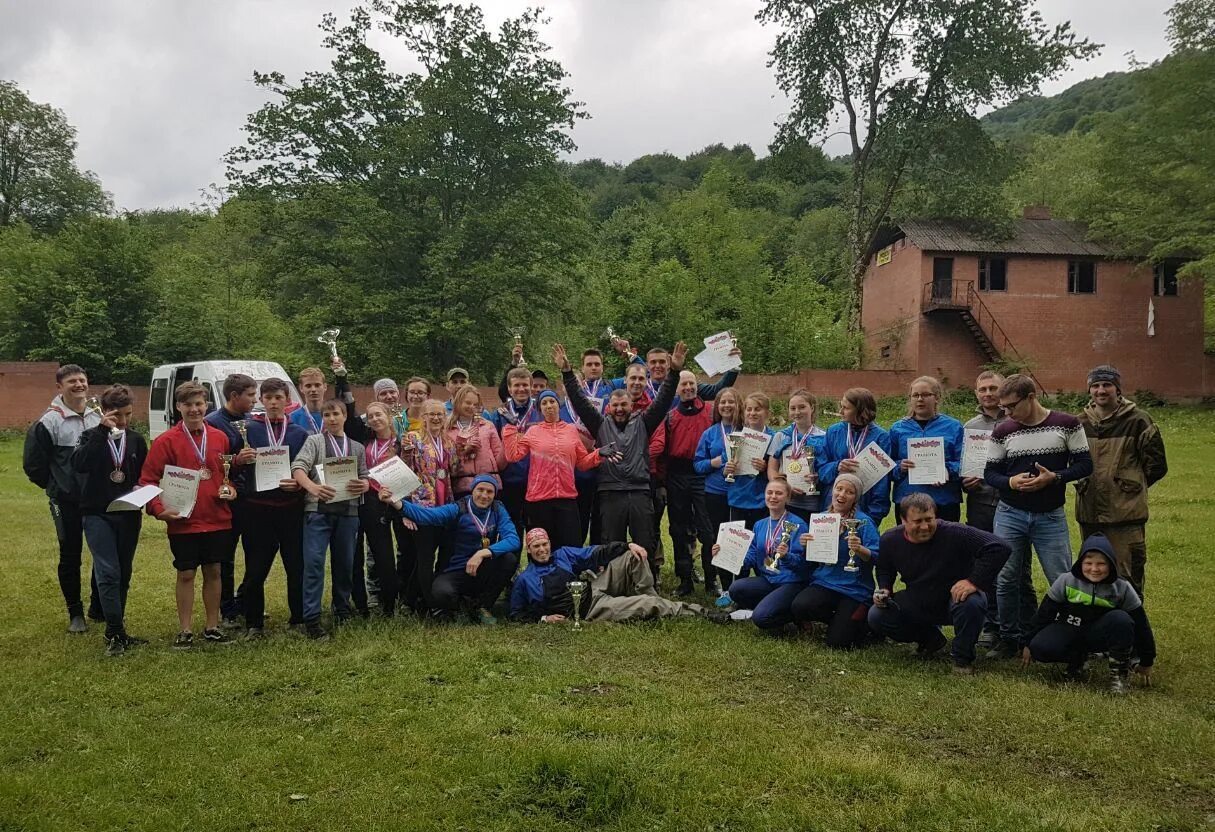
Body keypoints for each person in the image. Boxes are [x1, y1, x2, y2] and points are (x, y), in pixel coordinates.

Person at [558, 341, 685, 586]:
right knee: (611, 542)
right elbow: (580, 402)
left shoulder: (644, 422)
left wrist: (675, 372)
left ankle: (647, 584)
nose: (619, 409)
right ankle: (613, 584)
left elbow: (663, 401)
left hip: (639, 492)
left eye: (623, 405)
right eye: (615, 405)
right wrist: (566, 373)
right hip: (610, 492)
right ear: (608, 407)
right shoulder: (599, 425)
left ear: (631, 406)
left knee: (645, 540)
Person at [984, 374, 1092, 660]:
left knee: (1062, 578)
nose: (1006, 413)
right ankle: (1010, 639)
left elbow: (1085, 465)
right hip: (1010, 513)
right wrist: (1010, 482)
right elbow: (990, 473)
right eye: (1003, 408)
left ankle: (1073, 637)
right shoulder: (1003, 431)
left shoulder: (1067, 424)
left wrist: (1055, 478)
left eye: (1011, 406)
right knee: (1006, 578)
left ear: (1031, 397)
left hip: (1050, 516)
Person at [140, 382, 237, 649]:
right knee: (185, 574)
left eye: (199, 404)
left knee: (215, 571)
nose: (195, 409)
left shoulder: (219, 437)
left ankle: (212, 627)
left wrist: (231, 490)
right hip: (184, 521)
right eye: (189, 405)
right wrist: (159, 511)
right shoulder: (165, 441)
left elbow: (225, 476)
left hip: (217, 518)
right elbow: (147, 480)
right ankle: (184, 630)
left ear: (206, 406)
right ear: (178, 407)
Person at [868, 494, 1011, 674]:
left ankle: (962, 658)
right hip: (919, 599)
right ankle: (930, 639)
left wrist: (973, 581)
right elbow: (884, 569)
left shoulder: (955, 532)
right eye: (917, 521)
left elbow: (999, 547)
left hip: (957, 599)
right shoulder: (890, 539)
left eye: (929, 519)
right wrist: (885, 588)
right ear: (903, 520)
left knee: (972, 603)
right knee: (877, 615)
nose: (925, 526)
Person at [1074, 365, 1167, 596]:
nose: (1101, 390)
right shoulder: (1080, 423)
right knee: (1092, 574)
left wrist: (1129, 487)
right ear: (1089, 390)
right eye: (1095, 385)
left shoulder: (1139, 420)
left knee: (1127, 577)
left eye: (1107, 385)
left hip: (1126, 516)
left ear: (1118, 389)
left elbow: (1156, 466)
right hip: (1090, 513)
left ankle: (1132, 626)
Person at [22, 363, 102, 632]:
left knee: (100, 551)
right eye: (72, 382)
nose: (78, 385)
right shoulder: (49, 421)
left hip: (95, 499)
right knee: (71, 555)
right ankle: (75, 614)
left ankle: (97, 606)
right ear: (59, 387)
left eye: (82, 380)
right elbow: (33, 465)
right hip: (65, 501)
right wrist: (58, 486)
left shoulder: (96, 415)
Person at [70, 384, 148, 656]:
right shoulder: (90, 436)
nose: (123, 421)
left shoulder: (136, 439)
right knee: (108, 571)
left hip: (128, 513)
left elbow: (143, 474)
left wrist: (142, 487)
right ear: (104, 412)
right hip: (97, 513)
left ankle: (119, 628)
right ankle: (113, 631)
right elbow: (79, 464)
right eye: (117, 416)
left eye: (128, 414)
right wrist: (102, 432)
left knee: (123, 572)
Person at [1022, 534, 1155, 694]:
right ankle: (1077, 660)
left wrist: (1147, 660)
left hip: (1101, 634)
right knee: (1040, 646)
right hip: (1070, 628)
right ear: (1080, 563)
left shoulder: (1122, 587)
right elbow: (1044, 614)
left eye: (1101, 564)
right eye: (1088, 563)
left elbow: (1141, 625)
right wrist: (1028, 643)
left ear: (1111, 564)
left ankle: (1118, 676)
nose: (1094, 569)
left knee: (1122, 620)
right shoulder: (1066, 581)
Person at [380, 475, 520, 623]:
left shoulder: (498, 509)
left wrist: (483, 553)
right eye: (480, 490)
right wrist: (395, 502)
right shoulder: (458, 508)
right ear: (472, 490)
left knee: (509, 559)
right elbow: (427, 515)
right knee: (441, 594)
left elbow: (513, 539)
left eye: (490, 492)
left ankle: (483, 606)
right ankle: (460, 604)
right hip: (456, 569)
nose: (484, 495)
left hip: (482, 566)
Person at [290, 398, 370, 639]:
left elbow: (365, 476)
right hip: (318, 510)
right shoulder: (314, 441)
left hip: (348, 511)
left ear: (345, 416)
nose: (332, 419)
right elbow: (298, 468)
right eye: (327, 415)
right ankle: (311, 618)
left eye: (336, 414)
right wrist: (312, 488)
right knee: (314, 564)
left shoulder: (356, 447)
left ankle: (342, 608)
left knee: (345, 563)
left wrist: (364, 484)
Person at [510, 528, 705, 623]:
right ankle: (702, 613)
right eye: (536, 546)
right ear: (528, 549)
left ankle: (651, 596)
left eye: (545, 544)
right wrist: (544, 618)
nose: (542, 549)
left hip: (594, 588)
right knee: (647, 604)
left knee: (633, 556)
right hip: (591, 609)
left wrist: (628, 545)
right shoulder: (525, 579)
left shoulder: (562, 554)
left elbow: (595, 552)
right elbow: (516, 614)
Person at [238, 378, 309, 637]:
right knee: (256, 568)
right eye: (268, 398)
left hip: (291, 508)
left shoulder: (299, 433)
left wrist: (299, 485)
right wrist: (238, 460)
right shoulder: (247, 430)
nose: (273, 403)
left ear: (287, 400)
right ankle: (254, 623)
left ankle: (298, 619)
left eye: (278, 397)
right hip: (257, 509)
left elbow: (308, 469)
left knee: (295, 565)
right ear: (261, 400)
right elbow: (234, 468)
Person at [503, 389, 606, 549]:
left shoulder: (571, 430)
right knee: (542, 548)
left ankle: (569, 574)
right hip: (538, 500)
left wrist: (599, 454)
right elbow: (513, 456)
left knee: (571, 545)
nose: (549, 406)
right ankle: (540, 575)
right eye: (544, 403)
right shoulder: (533, 431)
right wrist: (510, 428)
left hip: (567, 498)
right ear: (540, 409)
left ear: (559, 405)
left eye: (552, 401)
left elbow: (582, 463)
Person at [962, 371, 1020, 651]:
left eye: (993, 388)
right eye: (982, 389)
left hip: (1013, 502)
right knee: (983, 563)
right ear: (976, 393)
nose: (988, 393)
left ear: (1003, 390)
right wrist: (966, 481)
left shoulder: (1017, 421)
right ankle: (989, 624)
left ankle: (1016, 624)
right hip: (980, 503)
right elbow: (964, 466)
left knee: (1013, 566)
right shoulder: (971, 426)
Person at [790, 473, 880, 650]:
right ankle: (841, 620)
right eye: (839, 489)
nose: (842, 495)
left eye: (849, 492)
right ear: (832, 491)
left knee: (838, 643)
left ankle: (863, 623)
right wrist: (805, 545)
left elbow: (878, 557)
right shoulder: (821, 519)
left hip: (854, 588)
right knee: (800, 606)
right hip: (826, 582)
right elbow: (811, 559)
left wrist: (860, 549)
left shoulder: (864, 522)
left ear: (856, 498)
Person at [711, 477, 810, 631]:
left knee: (761, 619)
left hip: (791, 582)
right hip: (769, 579)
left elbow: (804, 565)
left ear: (788, 498)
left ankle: (794, 616)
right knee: (736, 589)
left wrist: (786, 556)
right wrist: (726, 554)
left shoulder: (798, 525)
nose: (773, 496)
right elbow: (752, 554)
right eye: (769, 492)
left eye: (779, 493)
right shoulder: (760, 524)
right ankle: (773, 604)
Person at [649, 370, 716, 597]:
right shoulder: (669, 417)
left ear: (697, 385)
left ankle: (711, 579)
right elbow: (661, 451)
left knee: (707, 529)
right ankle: (684, 579)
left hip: (704, 474)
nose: (688, 387)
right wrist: (661, 480)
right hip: (677, 475)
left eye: (691, 383)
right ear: (677, 390)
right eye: (683, 384)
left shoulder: (710, 411)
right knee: (678, 529)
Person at [204, 373, 259, 629]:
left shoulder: (252, 420)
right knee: (225, 556)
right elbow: (209, 464)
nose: (255, 399)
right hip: (226, 500)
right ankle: (226, 609)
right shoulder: (212, 424)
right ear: (234, 396)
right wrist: (236, 462)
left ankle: (245, 599)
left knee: (257, 553)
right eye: (250, 395)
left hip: (253, 499)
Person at [398, 399, 458, 615]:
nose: (435, 418)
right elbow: (404, 471)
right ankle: (430, 604)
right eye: (431, 414)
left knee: (440, 552)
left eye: (440, 415)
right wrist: (406, 510)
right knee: (425, 556)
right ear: (422, 416)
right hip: (422, 505)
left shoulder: (449, 441)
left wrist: (466, 448)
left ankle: (410, 599)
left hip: (445, 504)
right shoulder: (412, 439)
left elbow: (453, 469)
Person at [889, 376, 964, 522]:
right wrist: (900, 466)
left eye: (925, 395)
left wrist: (946, 470)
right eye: (915, 395)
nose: (920, 399)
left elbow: (964, 463)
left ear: (936, 398)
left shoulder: (954, 427)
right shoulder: (897, 429)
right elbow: (887, 465)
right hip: (908, 501)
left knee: (946, 544)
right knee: (909, 544)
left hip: (944, 500)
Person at [358, 402, 409, 618]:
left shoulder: (403, 442)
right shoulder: (365, 444)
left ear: (389, 417)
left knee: (406, 551)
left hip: (401, 498)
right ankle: (387, 603)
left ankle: (407, 597)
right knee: (382, 553)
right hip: (373, 500)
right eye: (370, 416)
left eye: (379, 414)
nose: (375, 419)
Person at [694, 388, 743, 596]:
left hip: (742, 494)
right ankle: (722, 585)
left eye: (731, 402)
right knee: (717, 539)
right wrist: (715, 462)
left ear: (738, 404)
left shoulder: (747, 432)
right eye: (722, 402)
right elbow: (697, 465)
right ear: (717, 406)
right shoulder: (710, 433)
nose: (726, 406)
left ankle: (739, 585)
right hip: (714, 493)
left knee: (738, 539)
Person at [817, 387, 891, 525]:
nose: (840, 412)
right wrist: (836, 466)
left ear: (861, 410)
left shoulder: (881, 437)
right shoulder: (834, 432)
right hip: (833, 505)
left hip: (865, 506)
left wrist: (874, 515)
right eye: (841, 406)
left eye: (845, 408)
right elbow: (821, 469)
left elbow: (882, 482)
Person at [767, 388, 827, 517]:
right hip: (786, 502)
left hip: (813, 502)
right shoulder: (781, 436)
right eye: (792, 408)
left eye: (802, 407)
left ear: (812, 408)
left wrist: (818, 477)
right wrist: (783, 486)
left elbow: (827, 468)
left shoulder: (824, 437)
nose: (797, 412)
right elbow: (772, 469)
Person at [724, 392, 775, 527]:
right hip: (738, 498)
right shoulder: (735, 439)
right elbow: (726, 470)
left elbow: (779, 470)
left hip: (763, 500)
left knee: (761, 543)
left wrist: (765, 468)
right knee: (739, 543)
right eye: (749, 409)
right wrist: (727, 469)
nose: (752, 413)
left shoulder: (775, 438)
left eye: (757, 409)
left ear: (767, 413)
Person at [448, 386, 506, 498]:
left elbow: (499, 461)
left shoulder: (488, 425)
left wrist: (507, 446)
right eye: (468, 403)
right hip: (462, 486)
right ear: (458, 402)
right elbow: (448, 463)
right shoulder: (447, 429)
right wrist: (463, 451)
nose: (472, 407)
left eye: (475, 404)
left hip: (489, 485)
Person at [290, 366, 330, 435]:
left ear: (325, 387)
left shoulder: (335, 415)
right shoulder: (292, 418)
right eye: (308, 386)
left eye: (317, 385)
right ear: (301, 388)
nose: (313, 389)